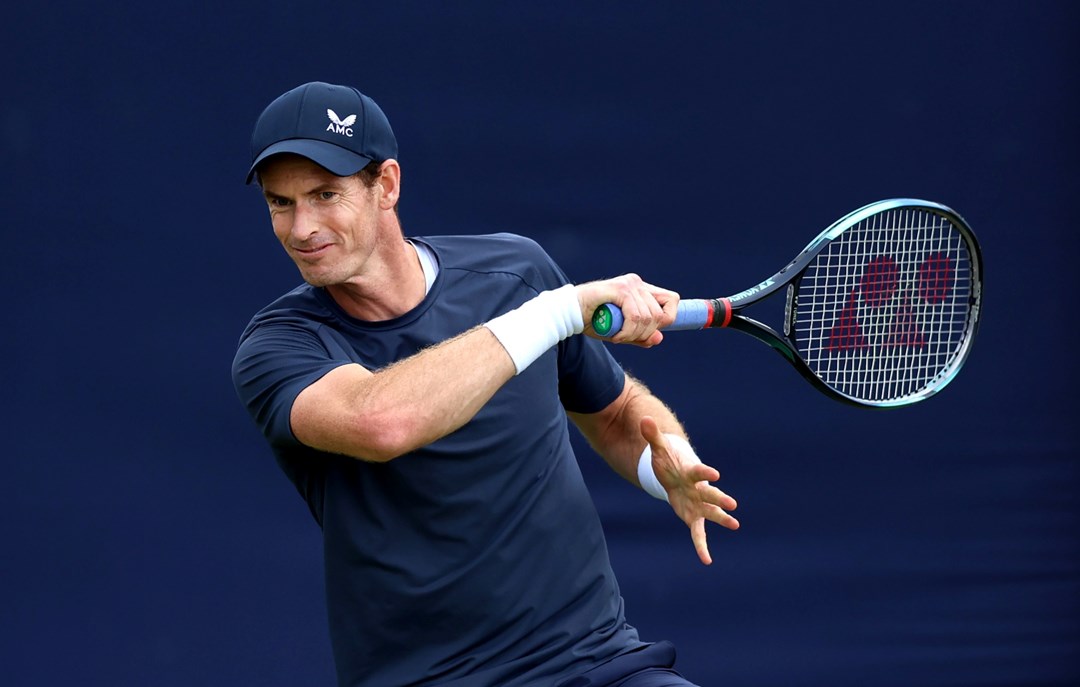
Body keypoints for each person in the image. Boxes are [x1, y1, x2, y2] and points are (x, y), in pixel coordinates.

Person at [232, 81, 739, 687]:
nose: (301, 227)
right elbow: (381, 422)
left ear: (386, 185)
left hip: (598, 665)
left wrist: (667, 465)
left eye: (325, 194)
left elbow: (613, 411)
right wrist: (559, 312)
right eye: (280, 203)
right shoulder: (279, 346)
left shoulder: (516, 275)